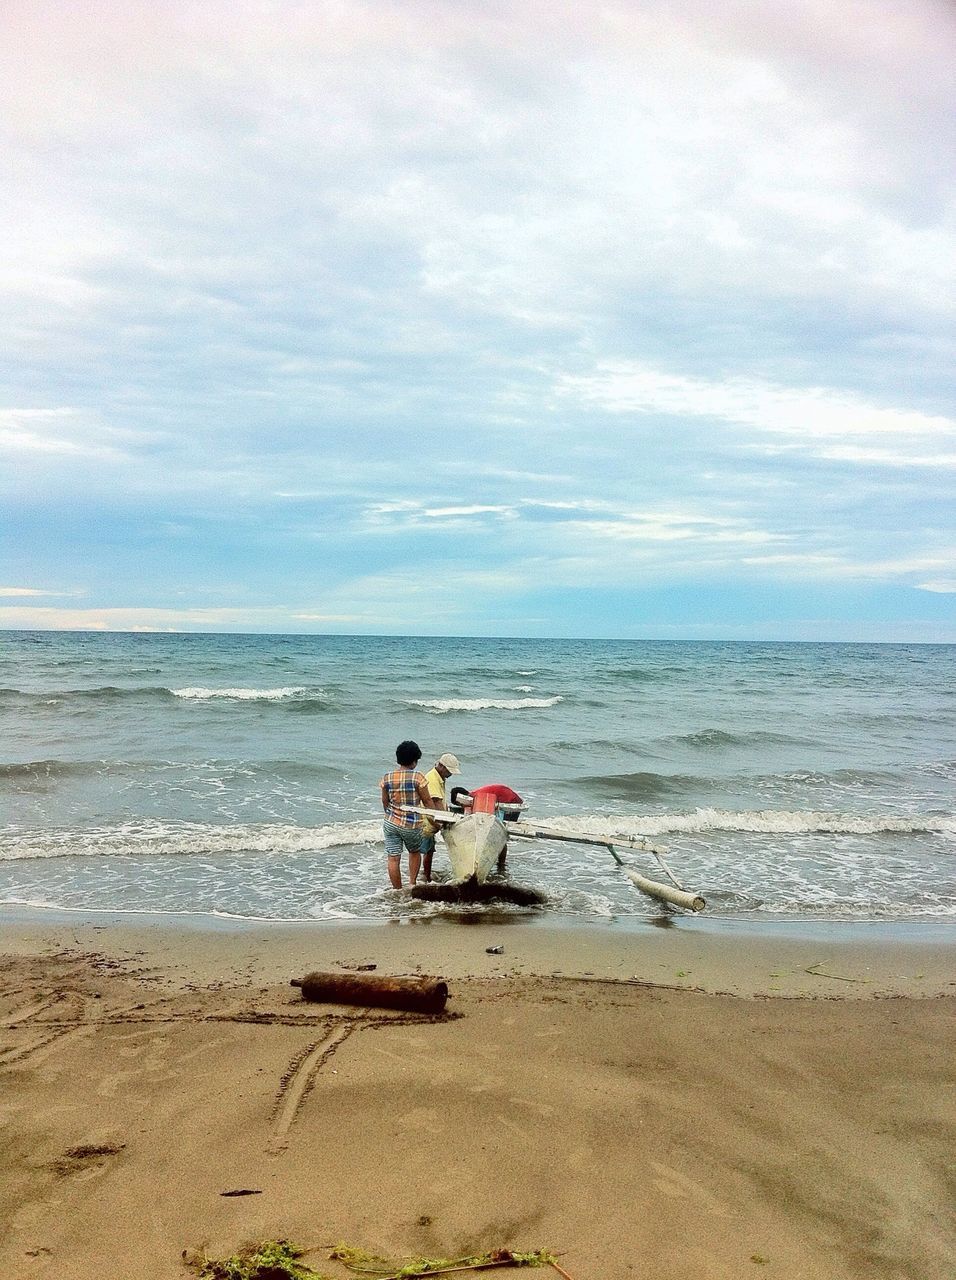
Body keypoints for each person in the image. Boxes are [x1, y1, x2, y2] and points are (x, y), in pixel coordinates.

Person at [379, 740, 436, 889]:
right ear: (415, 760)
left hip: (390, 822)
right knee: (414, 852)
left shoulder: (387, 777)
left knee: (393, 857)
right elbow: (427, 801)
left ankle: (397, 889)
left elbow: (385, 802)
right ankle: (412, 884)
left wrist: (392, 814)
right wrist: (434, 819)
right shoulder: (418, 777)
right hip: (411, 824)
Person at [450, 783, 524, 874]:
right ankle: (499, 864)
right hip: (506, 798)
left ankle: (501, 864)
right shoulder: (476, 796)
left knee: (501, 834)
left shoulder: (476, 798)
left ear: (462, 798)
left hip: (511, 802)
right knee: (498, 832)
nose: (462, 806)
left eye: (460, 804)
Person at [419, 752, 461, 881]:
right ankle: (425, 877)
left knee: (429, 850)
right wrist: (445, 821)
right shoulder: (432, 778)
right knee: (427, 850)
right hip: (427, 821)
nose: (450, 774)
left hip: (431, 821)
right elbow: (435, 802)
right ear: (442, 766)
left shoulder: (439, 778)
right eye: (449, 771)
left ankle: (426, 875)